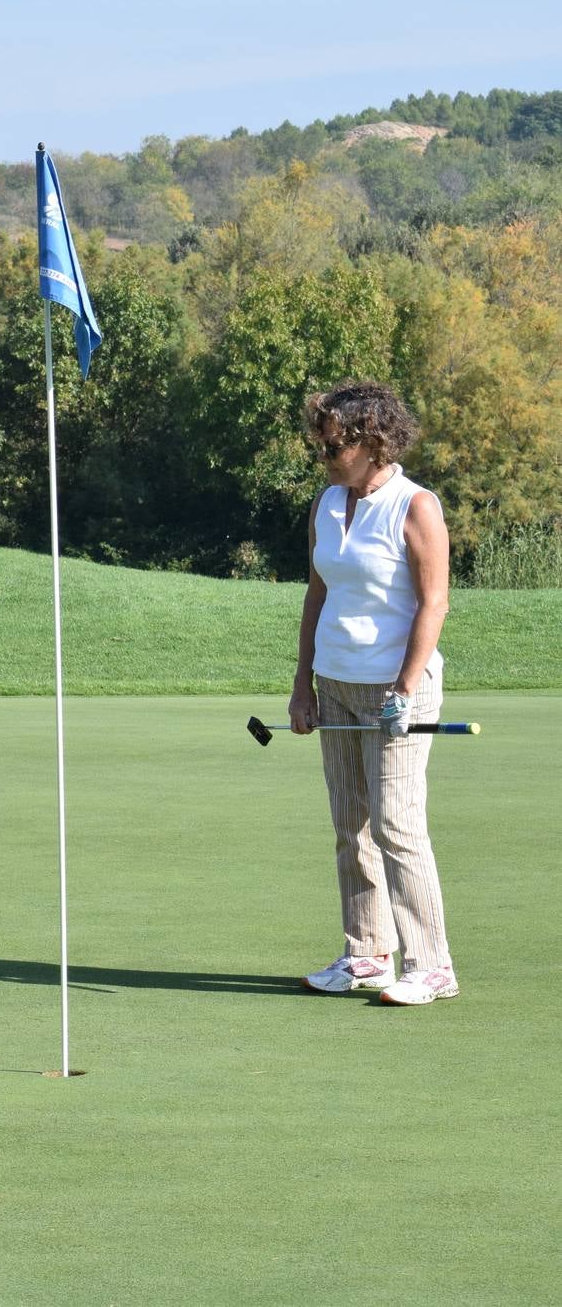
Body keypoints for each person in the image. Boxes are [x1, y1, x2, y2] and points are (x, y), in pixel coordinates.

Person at [288, 381, 457, 1005]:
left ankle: (432, 966)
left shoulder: (416, 506)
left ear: (372, 440)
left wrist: (405, 688)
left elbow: (434, 602)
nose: (326, 453)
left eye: (335, 443)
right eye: (323, 442)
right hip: (335, 684)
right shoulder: (326, 504)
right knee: (350, 826)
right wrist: (302, 684)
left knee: (397, 826)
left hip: (396, 686)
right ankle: (367, 957)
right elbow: (316, 594)